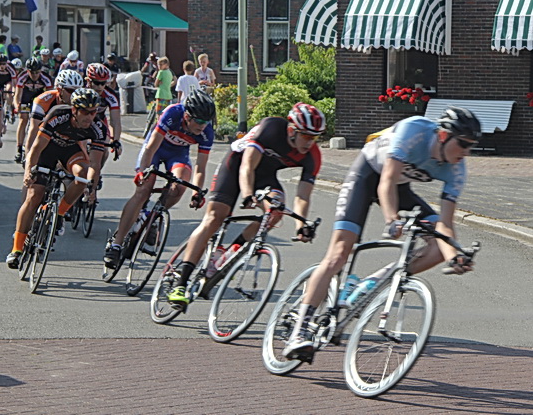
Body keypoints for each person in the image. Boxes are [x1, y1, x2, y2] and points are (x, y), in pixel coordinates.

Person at [282, 107, 482, 361]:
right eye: (463, 144)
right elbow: (386, 180)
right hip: (366, 176)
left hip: (400, 188)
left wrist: (454, 256)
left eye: (471, 146)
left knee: (438, 248)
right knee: (339, 254)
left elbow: (445, 224)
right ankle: (299, 331)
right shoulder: (415, 130)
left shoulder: (457, 170)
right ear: (443, 136)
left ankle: (372, 282)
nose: (466, 152)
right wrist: (391, 219)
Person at [166, 102, 326, 307]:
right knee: (215, 218)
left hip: (264, 176)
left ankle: (229, 253)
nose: (310, 142)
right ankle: (181, 283)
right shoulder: (271, 128)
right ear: (291, 130)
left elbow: (302, 196)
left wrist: (301, 225)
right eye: (306, 135)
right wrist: (248, 194)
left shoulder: (313, 156)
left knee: (276, 211)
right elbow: (247, 166)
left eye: (315, 137)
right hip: (236, 165)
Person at [103, 89, 216, 269]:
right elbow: (151, 148)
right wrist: (142, 172)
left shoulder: (206, 132)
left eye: (207, 121)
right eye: (200, 121)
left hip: (177, 155)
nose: (203, 126)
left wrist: (197, 192)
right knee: (144, 189)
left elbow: (200, 167)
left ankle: (152, 217)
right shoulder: (173, 113)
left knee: (179, 186)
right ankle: (116, 244)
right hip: (156, 148)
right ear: (187, 116)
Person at [6, 88, 107, 269]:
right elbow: (36, 148)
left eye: (93, 112)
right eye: (85, 112)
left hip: (70, 152)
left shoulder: (98, 128)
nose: (90, 116)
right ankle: (16, 249)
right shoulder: (58, 115)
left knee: (83, 175)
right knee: (34, 195)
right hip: (47, 150)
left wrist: (91, 187)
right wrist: (29, 171)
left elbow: (95, 163)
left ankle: (59, 213)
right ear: (74, 110)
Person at [84, 62, 122, 195]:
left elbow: (115, 121)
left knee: (104, 149)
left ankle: (96, 173)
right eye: (96, 83)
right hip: (81, 122)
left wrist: (116, 141)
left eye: (103, 83)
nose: (100, 86)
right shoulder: (80, 91)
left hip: (99, 122)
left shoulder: (110, 95)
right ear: (88, 81)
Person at [25, 69, 85, 153]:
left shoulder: (82, 101)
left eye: (78, 91)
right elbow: (34, 130)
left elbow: (84, 134)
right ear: (59, 89)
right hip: (45, 136)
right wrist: (28, 154)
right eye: (70, 91)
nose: (75, 95)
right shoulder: (43, 100)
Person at [13, 57, 53, 163]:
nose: (34, 75)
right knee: (23, 119)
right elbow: (17, 95)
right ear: (27, 71)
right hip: (25, 98)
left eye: (37, 72)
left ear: (41, 71)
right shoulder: (22, 77)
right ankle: (19, 148)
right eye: (32, 72)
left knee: (37, 123)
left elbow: (50, 95)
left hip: (39, 99)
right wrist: (17, 106)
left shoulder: (46, 78)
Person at [0, 53, 17, 126]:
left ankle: (8, 108)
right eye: (0, 64)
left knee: (9, 89)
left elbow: (14, 82)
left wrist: (13, 92)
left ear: (7, 63)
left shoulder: (11, 67)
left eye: (4, 64)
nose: (2, 66)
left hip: (8, 80)